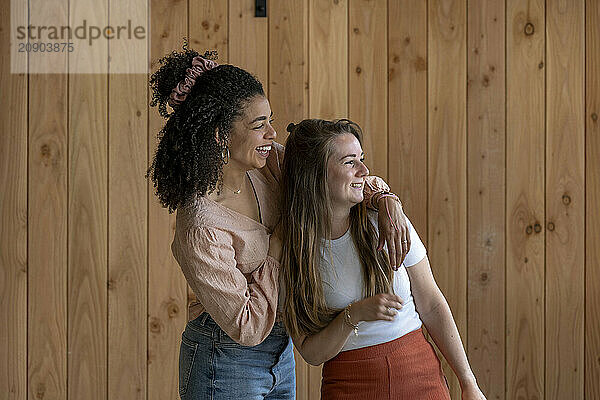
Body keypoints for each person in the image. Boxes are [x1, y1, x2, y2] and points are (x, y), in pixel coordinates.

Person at [147, 46, 412, 400]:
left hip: (280, 351)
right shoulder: (201, 226)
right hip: (223, 361)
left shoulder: (269, 164)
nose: (273, 133)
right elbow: (247, 324)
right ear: (220, 135)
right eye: (259, 125)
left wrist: (386, 200)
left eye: (271, 120)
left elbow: (333, 177)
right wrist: (277, 245)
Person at [281, 119, 487, 400]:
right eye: (349, 162)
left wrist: (468, 383)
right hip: (348, 385)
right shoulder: (293, 249)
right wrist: (354, 315)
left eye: (362, 159)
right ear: (315, 175)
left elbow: (431, 303)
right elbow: (311, 352)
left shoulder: (387, 220)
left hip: (420, 376)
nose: (364, 171)